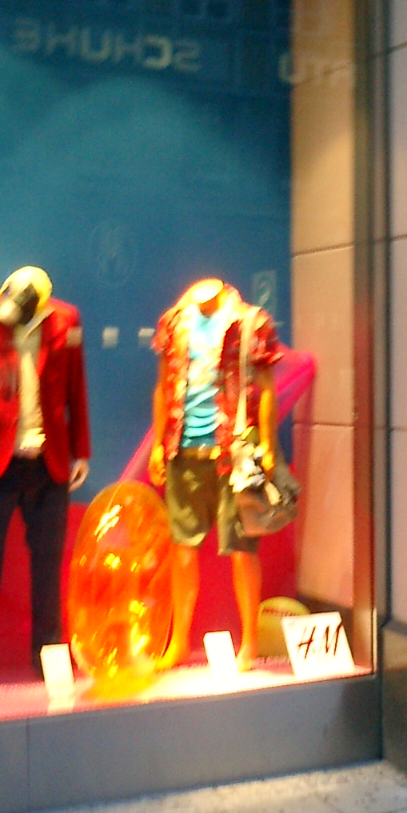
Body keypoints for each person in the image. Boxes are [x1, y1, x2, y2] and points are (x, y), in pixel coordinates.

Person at [0, 267, 91, 695]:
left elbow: (75, 385)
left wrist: (81, 449)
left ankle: (48, 656)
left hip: (48, 461)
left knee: (49, 567)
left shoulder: (66, 320)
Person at [149, 278, 280, 672]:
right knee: (182, 548)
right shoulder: (175, 321)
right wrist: (158, 443)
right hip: (183, 449)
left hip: (235, 452)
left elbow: (266, 386)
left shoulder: (250, 322)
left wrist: (268, 444)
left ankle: (250, 642)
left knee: (243, 548)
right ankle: (178, 642)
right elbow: (164, 386)